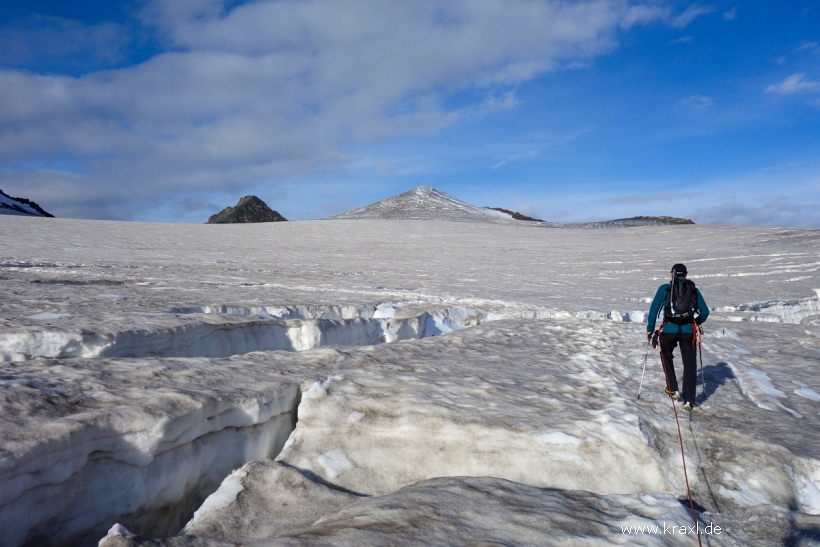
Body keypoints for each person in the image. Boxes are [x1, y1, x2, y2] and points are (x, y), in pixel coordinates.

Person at [646, 263, 709, 411]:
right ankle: (689, 400)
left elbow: (654, 309)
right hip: (688, 330)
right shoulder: (693, 289)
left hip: (669, 329)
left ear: (672, 275)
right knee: (689, 364)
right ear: (686, 275)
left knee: (666, 355)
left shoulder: (665, 289)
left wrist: (650, 329)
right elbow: (705, 312)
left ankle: (673, 389)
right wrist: (695, 322)